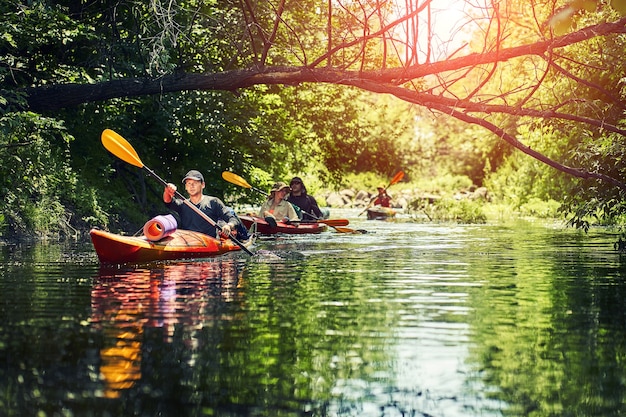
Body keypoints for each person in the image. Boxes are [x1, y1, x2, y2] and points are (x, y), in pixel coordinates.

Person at [163, 170, 243, 238]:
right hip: (187, 241)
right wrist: (167, 190)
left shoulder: (213, 202)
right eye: (189, 183)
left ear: (203, 185)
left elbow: (234, 219)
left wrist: (228, 226)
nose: (192, 186)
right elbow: (168, 201)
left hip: (208, 242)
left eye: (195, 183)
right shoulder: (183, 204)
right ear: (186, 187)